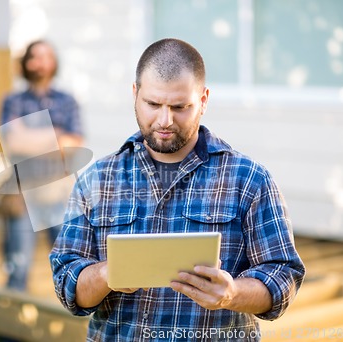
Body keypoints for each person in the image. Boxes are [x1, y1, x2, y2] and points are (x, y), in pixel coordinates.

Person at [49, 38, 305, 341]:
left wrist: (232, 293)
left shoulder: (249, 179)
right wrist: (108, 274)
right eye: (153, 104)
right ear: (135, 94)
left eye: (180, 106)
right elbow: (67, 283)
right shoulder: (96, 180)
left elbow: (283, 277)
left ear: (204, 99)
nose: (165, 120)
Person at [0, 40, 84, 291]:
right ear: (25, 63)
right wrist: (55, 135)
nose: (40, 62)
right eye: (34, 56)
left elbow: (73, 146)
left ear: (54, 62)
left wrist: (31, 138)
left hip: (60, 194)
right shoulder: (12, 101)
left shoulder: (68, 101)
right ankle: (9, 330)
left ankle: (72, 326)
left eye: (46, 56)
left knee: (69, 269)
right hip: (22, 195)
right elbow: (13, 143)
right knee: (18, 268)